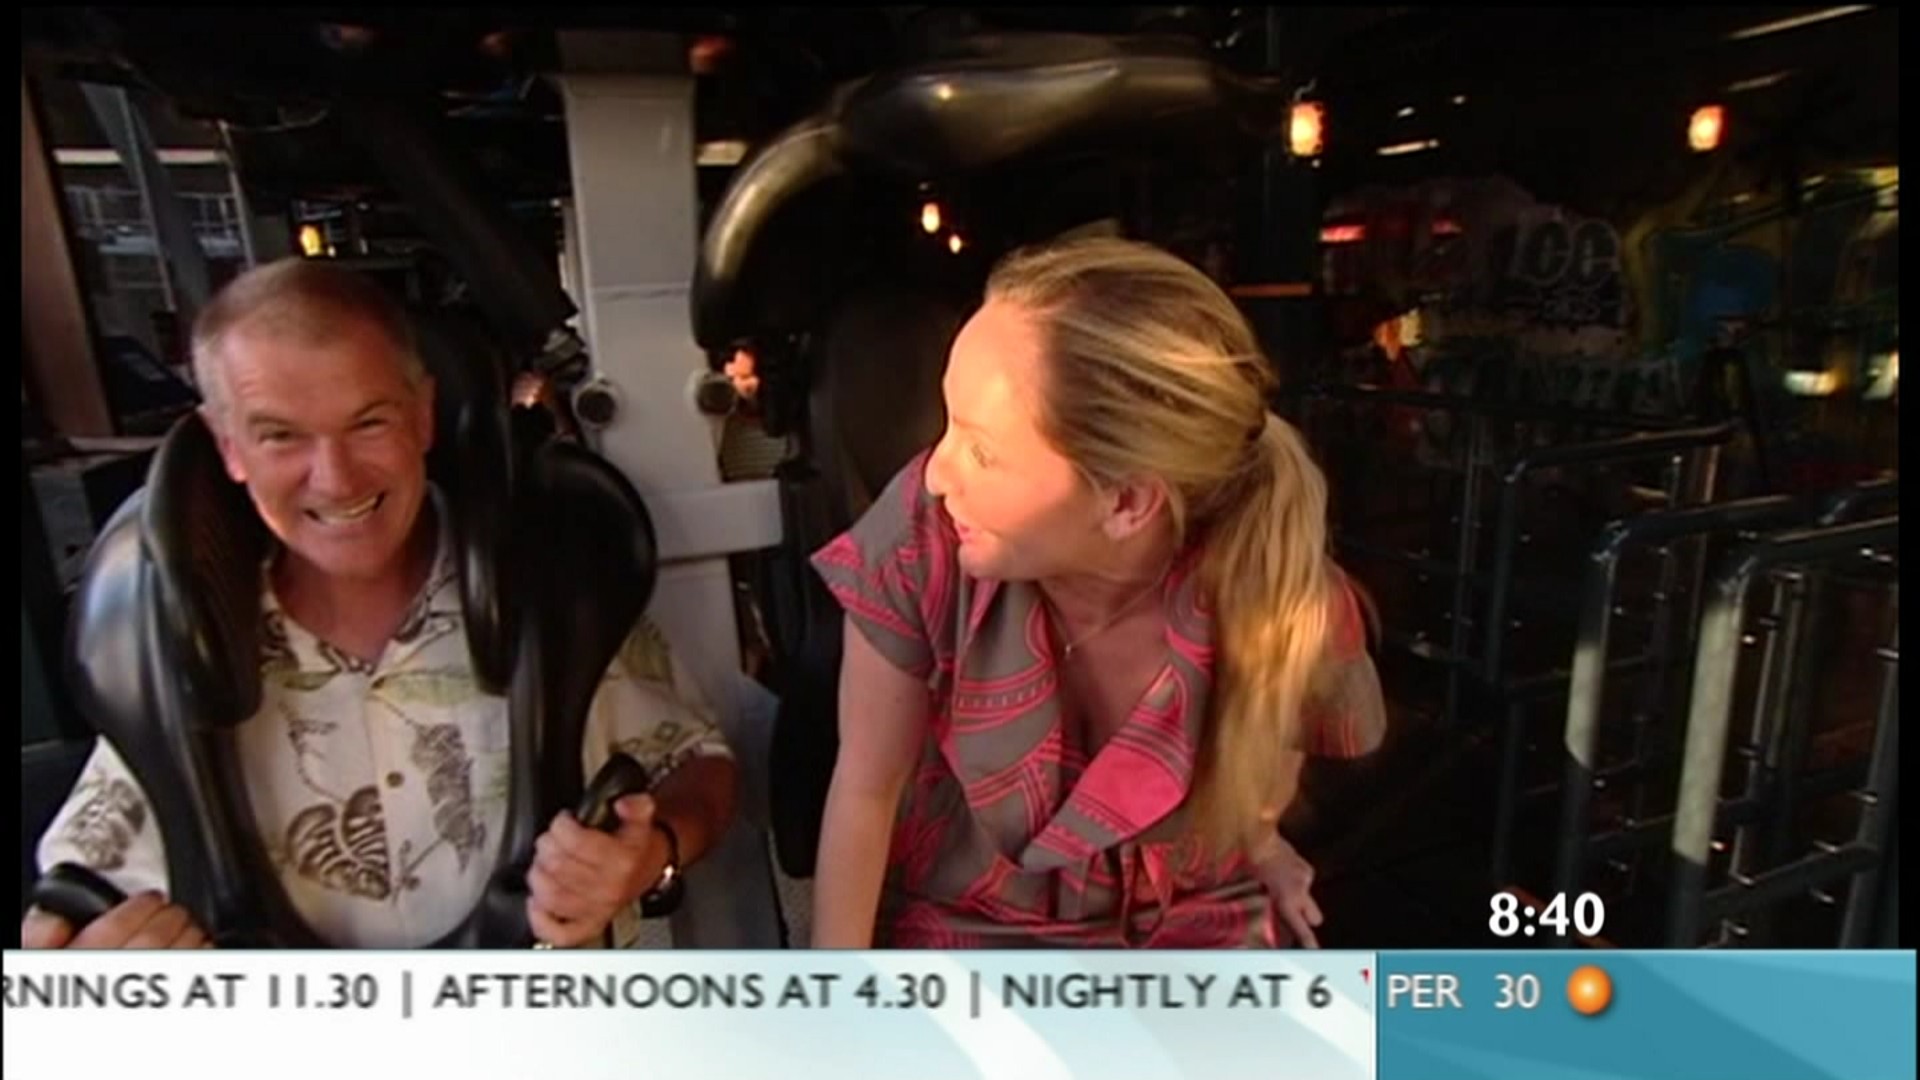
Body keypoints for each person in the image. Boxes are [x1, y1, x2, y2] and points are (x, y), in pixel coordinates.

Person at [23, 259, 739, 950]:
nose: (335, 479)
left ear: (422, 416)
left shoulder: (543, 590)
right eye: (281, 436)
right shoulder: (179, 643)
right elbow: (74, 899)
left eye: (368, 423)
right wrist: (97, 967)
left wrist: (652, 853)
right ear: (229, 447)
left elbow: (699, 764)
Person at [810, 237, 1386, 949]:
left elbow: (1275, 747)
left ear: (1127, 503)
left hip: (1193, 915)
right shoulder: (918, 536)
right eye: (948, 424)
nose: (935, 474)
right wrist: (833, 994)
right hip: (971, 919)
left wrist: (1263, 841)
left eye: (982, 451)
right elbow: (866, 788)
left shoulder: (1284, 592)